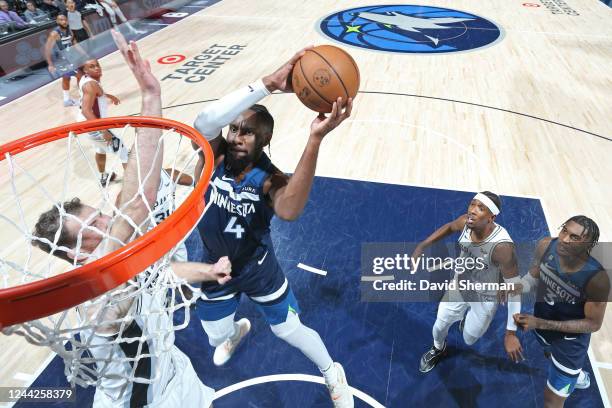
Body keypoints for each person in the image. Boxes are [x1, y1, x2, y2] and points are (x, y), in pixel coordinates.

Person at [32, 30, 223, 407]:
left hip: (176, 375)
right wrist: (150, 97)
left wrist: (207, 270)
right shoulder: (97, 302)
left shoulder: (122, 266)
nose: (109, 223)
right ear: (74, 256)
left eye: (101, 216)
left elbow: (157, 272)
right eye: (96, 228)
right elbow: (137, 203)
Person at [188, 49, 355, 407]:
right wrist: (266, 84)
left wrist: (315, 139)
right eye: (235, 128)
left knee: (288, 329)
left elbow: (291, 210)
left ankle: (332, 373)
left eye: (247, 133)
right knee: (216, 336)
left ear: (262, 142)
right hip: (213, 266)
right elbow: (203, 121)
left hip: (256, 270)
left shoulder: (269, 179)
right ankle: (234, 333)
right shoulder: (213, 154)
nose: (236, 136)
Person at [413, 191, 524, 373]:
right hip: (460, 285)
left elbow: (515, 289)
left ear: (491, 217)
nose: (472, 210)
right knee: (439, 325)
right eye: (472, 204)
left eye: (480, 208)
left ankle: (467, 321)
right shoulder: (466, 222)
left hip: (485, 297)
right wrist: (422, 245)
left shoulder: (502, 247)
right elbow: (449, 227)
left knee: (469, 339)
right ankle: (438, 348)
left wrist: (510, 333)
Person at [513, 216, 609, 407]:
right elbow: (535, 272)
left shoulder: (597, 279)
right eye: (564, 231)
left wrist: (539, 323)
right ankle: (577, 375)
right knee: (548, 353)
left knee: (551, 402)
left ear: (587, 245)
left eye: (575, 238)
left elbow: (593, 324)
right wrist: (519, 286)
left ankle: (575, 374)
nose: (565, 239)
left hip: (570, 345)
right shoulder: (546, 245)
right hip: (542, 323)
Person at [77, 57, 128, 185]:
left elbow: (95, 94)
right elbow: (86, 110)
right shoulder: (90, 85)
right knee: (124, 152)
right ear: (85, 71)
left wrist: (108, 96)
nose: (97, 68)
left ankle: (104, 176)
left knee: (100, 149)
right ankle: (133, 184)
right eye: (92, 66)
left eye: (97, 65)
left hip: (88, 125)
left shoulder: (87, 81)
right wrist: (104, 130)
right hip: (94, 124)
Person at [44, 13, 83, 107]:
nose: (64, 21)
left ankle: (66, 100)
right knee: (80, 75)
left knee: (66, 78)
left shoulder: (69, 30)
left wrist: (84, 53)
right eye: (61, 20)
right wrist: (50, 64)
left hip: (70, 57)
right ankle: (82, 98)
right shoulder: (54, 33)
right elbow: (47, 49)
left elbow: (74, 43)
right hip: (62, 60)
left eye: (65, 19)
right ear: (57, 21)